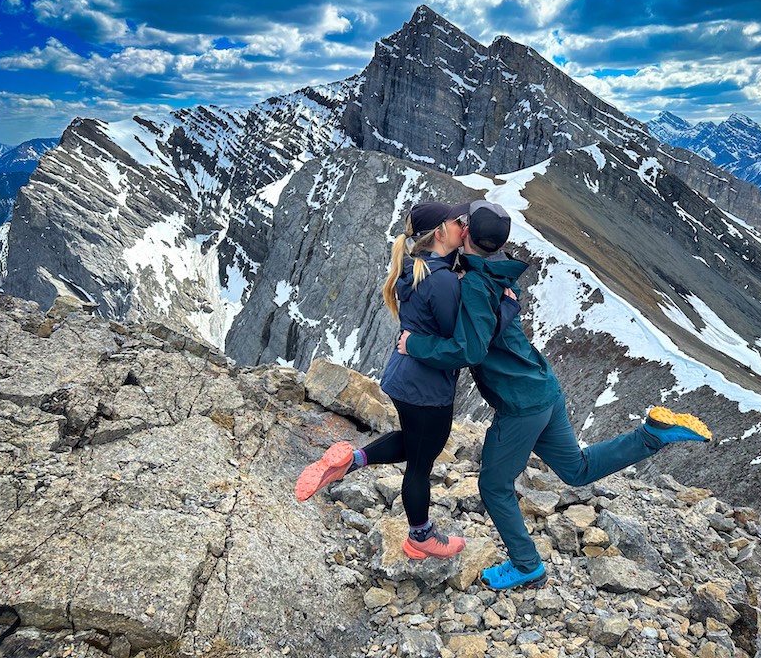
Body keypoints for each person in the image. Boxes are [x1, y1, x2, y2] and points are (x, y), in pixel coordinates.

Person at [398, 200, 712, 590]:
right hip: (544, 388)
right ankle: (652, 435)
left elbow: (470, 351)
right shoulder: (497, 270)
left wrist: (416, 346)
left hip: (521, 404)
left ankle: (527, 565)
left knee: (494, 487)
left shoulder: (475, 285)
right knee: (576, 469)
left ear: (468, 237)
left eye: (464, 224)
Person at [295, 200, 472, 560]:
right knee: (421, 463)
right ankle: (420, 536)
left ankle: (352, 460)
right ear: (439, 232)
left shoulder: (418, 267)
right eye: (457, 221)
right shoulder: (441, 282)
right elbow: (458, 338)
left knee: (415, 443)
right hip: (428, 386)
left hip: (405, 379)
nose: (462, 225)